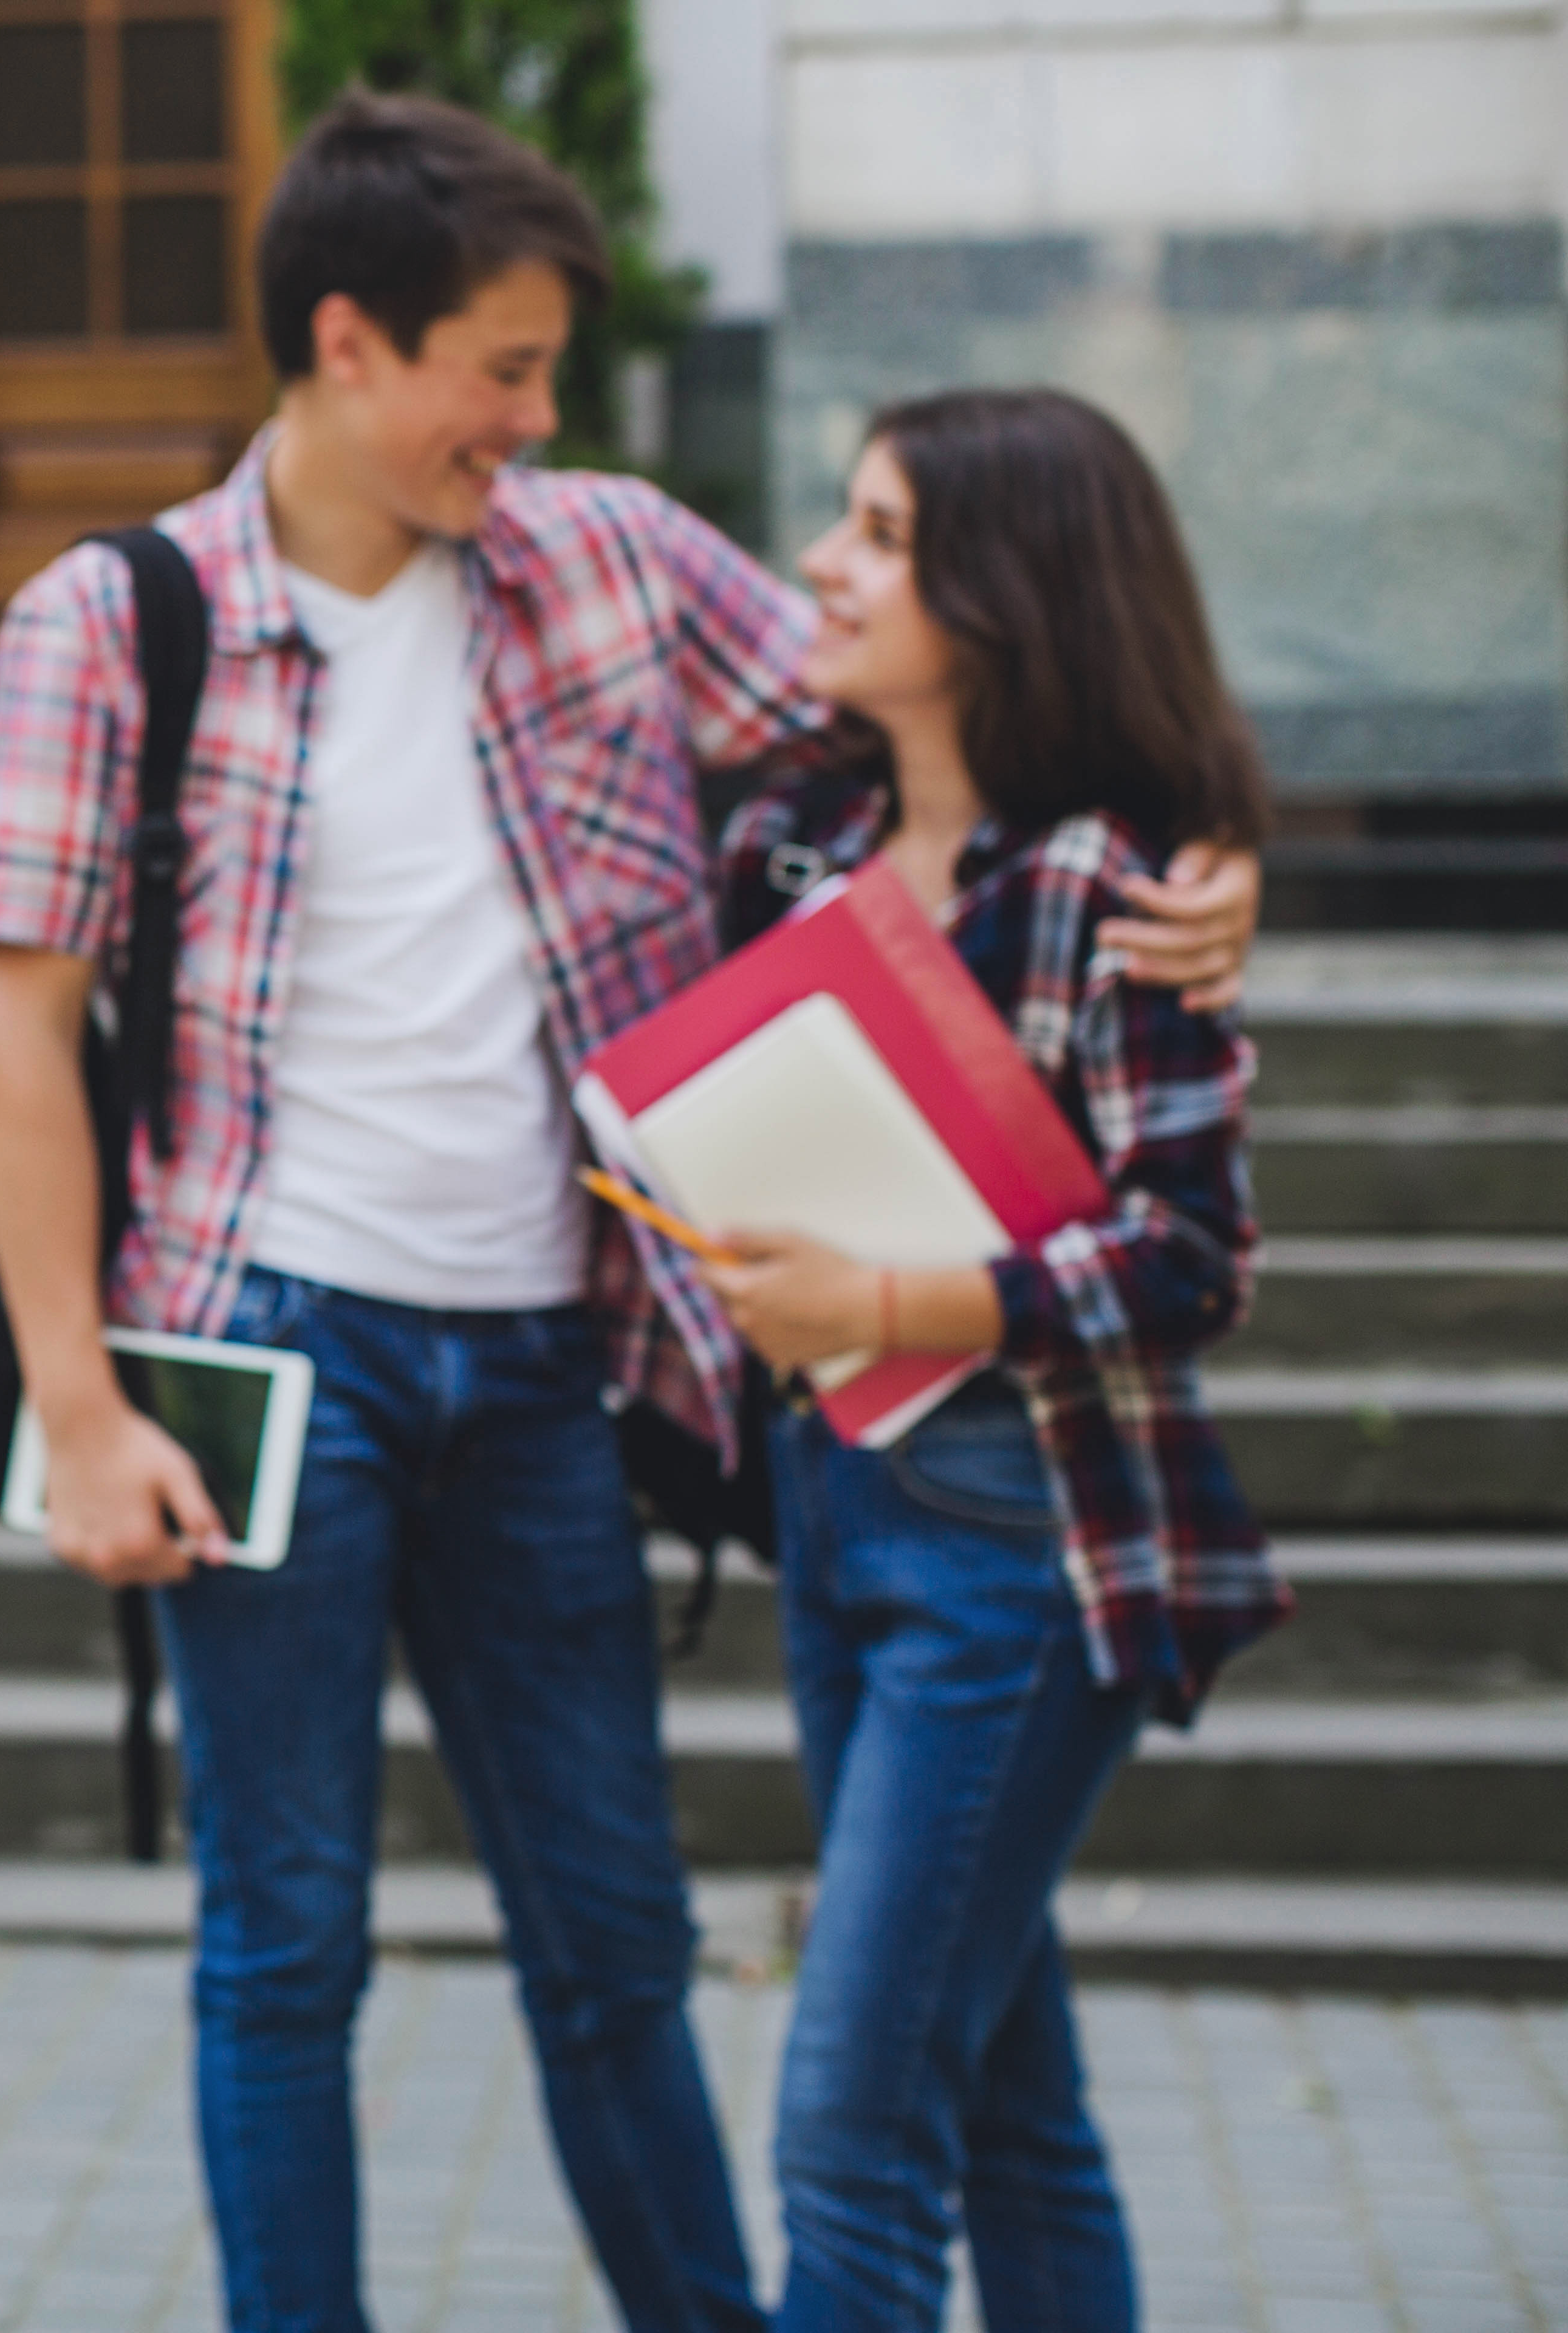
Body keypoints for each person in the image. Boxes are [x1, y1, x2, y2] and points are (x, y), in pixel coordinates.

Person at [0, 94, 1262, 2333]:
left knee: (616, 1942)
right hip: (259, 1347)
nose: (538, 423)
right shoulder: (117, 619)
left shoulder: (616, 567)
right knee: (287, 1943)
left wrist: (1204, 865)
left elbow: (950, 713)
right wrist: (73, 1403)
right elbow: (15, 1030)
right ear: (351, 344)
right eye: (508, 367)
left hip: (555, 1356)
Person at [702, 388, 1289, 2333]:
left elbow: (1192, 1254)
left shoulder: (1112, 886)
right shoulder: (806, 833)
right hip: (831, 1499)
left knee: (852, 2125)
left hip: (1020, 1546)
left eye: (878, 531)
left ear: (1002, 591)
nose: (824, 561)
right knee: (1010, 2105)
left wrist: (884, 1302)